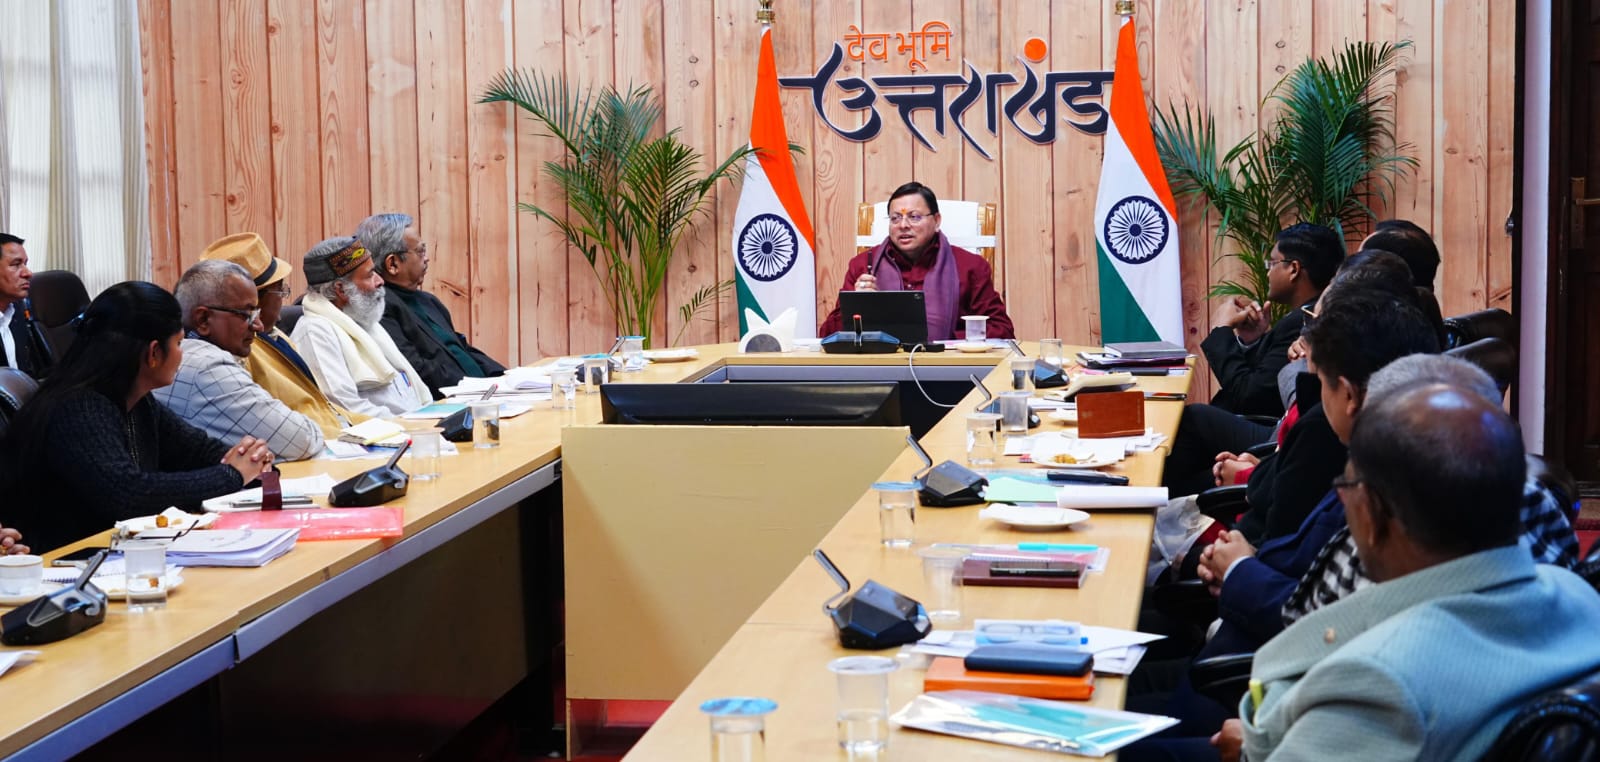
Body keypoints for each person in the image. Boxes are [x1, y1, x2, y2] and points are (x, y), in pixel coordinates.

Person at [1220, 384, 1600, 761]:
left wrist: (1253, 751)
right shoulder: (1578, 591)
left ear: (1370, 513)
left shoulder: (1377, 679)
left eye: (1347, 488)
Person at [0, 281, 274, 553]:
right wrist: (232, 475)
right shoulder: (78, 408)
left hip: (118, 554)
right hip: (67, 563)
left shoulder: (138, 401)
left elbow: (198, 450)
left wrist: (252, 462)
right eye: (179, 343)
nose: (182, 354)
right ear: (154, 353)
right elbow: (128, 495)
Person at [197, 232, 369, 440]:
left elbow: (324, 406)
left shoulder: (276, 334)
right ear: (253, 302)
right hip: (313, 442)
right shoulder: (238, 350)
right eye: (280, 291)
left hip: (338, 431)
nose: (283, 300)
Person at [152, 260, 324, 461]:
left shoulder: (185, 353)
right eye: (247, 314)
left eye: (257, 313)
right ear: (203, 319)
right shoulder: (207, 367)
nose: (258, 326)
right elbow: (301, 439)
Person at [818, 182, 1014, 341]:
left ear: (937, 221)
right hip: (878, 368)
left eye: (914, 217)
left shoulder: (969, 266)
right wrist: (856, 305)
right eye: (895, 218)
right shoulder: (863, 266)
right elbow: (827, 334)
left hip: (948, 368)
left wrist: (948, 340)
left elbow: (1002, 329)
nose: (903, 225)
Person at [355, 213, 505, 398]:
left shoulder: (429, 301)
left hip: (484, 393)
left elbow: (461, 349)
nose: (426, 259)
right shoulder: (380, 309)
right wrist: (475, 388)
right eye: (420, 251)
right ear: (393, 264)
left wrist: (503, 378)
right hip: (453, 400)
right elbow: (415, 369)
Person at [1201, 223, 1342, 417]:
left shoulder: (1304, 321)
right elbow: (1260, 379)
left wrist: (1221, 329)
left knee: (1193, 417)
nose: (1268, 273)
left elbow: (1250, 397)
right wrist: (1251, 341)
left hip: (1266, 428)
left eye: (1273, 264)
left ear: (1294, 269)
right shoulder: (1304, 314)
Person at [291, 236, 432, 416]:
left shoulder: (362, 321)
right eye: (370, 275)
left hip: (416, 421)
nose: (380, 281)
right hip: (389, 430)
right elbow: (345, 407)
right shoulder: (315, 332)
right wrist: (411, 424)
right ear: (341, 289)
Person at [0, 233, 53, 379]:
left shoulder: (17, 310)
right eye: (16, 264)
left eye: (25, 264)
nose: (28, 273)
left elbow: (28, 372)